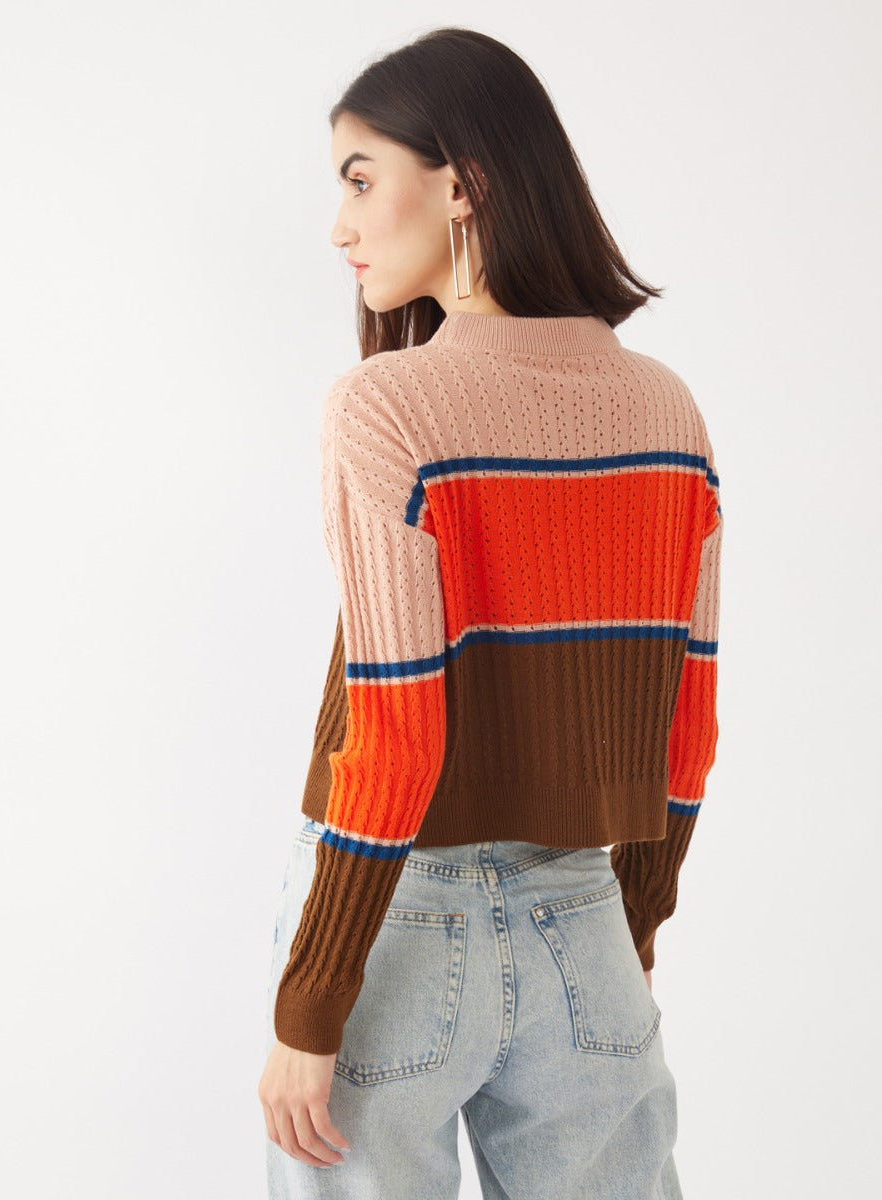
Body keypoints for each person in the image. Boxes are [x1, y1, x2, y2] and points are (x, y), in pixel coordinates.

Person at [257, 25, 722, 1200]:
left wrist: (313, 1002)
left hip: (392, 924)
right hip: (585, 914)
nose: (340, 226)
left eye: (361, 180)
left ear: (459, 184)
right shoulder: (669, 413)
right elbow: (688, 732)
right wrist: (629, 929)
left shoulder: (385, 407)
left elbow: (396, 736)